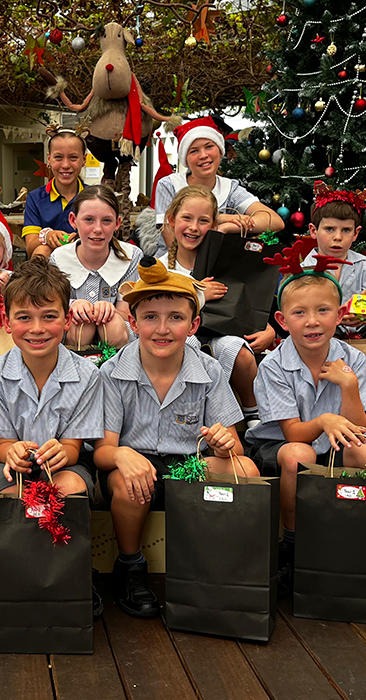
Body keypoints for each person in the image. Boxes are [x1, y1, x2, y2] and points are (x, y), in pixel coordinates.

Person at [95, 257, 257, 618]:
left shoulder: (209, 370)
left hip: (189, 465)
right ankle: (130, 565)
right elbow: (103, 450)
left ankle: (217, 565)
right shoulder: (113, 372)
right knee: (129, 483)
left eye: (176, 318)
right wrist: (121, 455)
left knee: (245, 470)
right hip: (137, 465)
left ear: (193, 324)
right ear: (133, 323)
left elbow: (234, 446)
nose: (163, 329)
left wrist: (224, 445)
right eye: (150, 317)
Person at [244, 247, 366, 592]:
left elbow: (360, 428)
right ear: (282, 320)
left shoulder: (353, 360)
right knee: (298, 455)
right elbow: (293, 433)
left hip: (335, 442)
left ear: (340, 314)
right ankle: (292, 543)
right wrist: (324, 421)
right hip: (282, 446)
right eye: (299, 313)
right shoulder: (274, 365)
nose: (312, 321)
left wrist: (349, 386)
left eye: (323, 310)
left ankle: (355, 535)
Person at [0, 259, 103, 613]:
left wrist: (63, 451)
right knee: (9, 493)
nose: (37, 329)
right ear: (7, 321)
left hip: (62, 465)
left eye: (49, 316)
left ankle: (72, 572)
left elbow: (74, 448)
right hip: (9, 467)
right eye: (24, 317)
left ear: (67, 319)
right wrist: (13, 452)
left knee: (71, 487)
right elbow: (1, 446)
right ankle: (16, 575)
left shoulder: (87, 375)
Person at [164, 185, 273, 424]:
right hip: (180, 336)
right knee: (188, 345)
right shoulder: (161, 268)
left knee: (237, 350)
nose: (194, 227)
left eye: (203, 221)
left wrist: (268, 329)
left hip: (221, 332)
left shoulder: (226, 264)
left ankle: (252, 411)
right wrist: (198, 294)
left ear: (213, 226)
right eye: (186, 218)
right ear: (171, 219)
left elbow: (247, 304)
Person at [153, 117, 283, 257]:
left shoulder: (230, 188)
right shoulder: (169, 185)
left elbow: (275, 221)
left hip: (217, 265)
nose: (203, 155)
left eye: (209, 146)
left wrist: (226, 227)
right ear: (185, 159)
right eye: (194, 151)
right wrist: (221, 218)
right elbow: (173, 243)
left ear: (221, 151)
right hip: (172, 265)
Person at [49, 184, 142, 348]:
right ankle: (74, 362)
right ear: (73, 220)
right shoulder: (59, 258)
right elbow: (53, 309)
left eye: (106, 221)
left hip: (117, 336)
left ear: (117, 223)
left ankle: (117, 363)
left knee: (111, 323)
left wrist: (110, 311)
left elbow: (127, 313)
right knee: (82, 324)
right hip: (73, 335)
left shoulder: (131, 257)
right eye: (89, 220)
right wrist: (72, 304)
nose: (98, 229)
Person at [301, 184, 366, 335]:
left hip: (362, 329)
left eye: (346, 230)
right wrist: (335, 317)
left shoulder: (363, 264)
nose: (338, 237)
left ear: (355, 233)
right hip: (324, 331)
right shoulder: (304, 269)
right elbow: (300, 310)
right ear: (313, 230)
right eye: (330, 229)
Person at [23, 126, 87, 259]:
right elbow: (30, 247)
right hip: (49, 268)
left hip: (86, 261)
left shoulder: (94, 198)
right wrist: (47, 237)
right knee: (42, 250)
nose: (65, 165)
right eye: (58, 157)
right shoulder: (35, 198)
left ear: (84, 159)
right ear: (49, 159)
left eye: (73, 157)